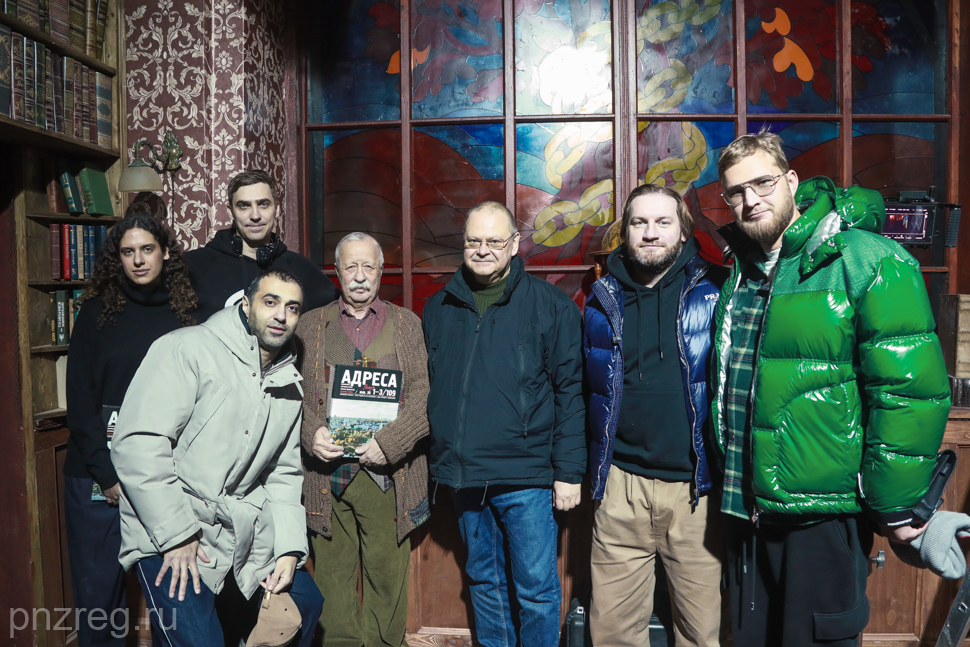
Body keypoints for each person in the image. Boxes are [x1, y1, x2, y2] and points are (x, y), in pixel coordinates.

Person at [710, 131, 950, 646]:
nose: (751, 200)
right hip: (746, 511)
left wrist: (896, 505)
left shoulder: (867, 259)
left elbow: (906, 391)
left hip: (822, 517)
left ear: (791, 181)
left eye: (763, 183)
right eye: (736, 191)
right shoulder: (741, 272)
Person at [110, 270, 324, 647]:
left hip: (241, 526)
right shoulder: (186, 348)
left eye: (292, 308)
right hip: (171, 522)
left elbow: (284, 474)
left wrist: (289, 548)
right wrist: (177, 536)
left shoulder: (289, 383)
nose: (281, 315)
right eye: (270, 302)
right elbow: (138, 445)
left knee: (305, 602)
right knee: (198, 639)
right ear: (246, 304)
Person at [422, 201, 586, 647]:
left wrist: (569, 472)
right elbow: (431, 387)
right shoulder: (439, 306)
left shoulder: (551, 306)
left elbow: (571, 392)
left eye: (494, 241)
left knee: (536, 590)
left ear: (514, 244)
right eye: (473, 241)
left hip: (526, 476)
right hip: (464, 476)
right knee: (484, 582)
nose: (483, 249)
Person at [584, 184, 726, 647]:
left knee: (700, 633)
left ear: (683, 232)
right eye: (639, 223)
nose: (650, 233)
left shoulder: (717, 291)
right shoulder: (601, 299)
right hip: (620, 487)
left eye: (663, 222)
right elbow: (585, 389)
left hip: (696, 491)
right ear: (624, 232)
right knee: (612, 635)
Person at [64, 213, 196, 646]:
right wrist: (107, 476)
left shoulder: (187, 313)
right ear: (117, 258)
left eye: (147, 249)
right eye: (128, 252)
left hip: (164, 478)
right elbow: (80, 399)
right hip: (97, 477)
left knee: (173, 600)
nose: (138, 260)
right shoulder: (95, 312)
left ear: (165, 253)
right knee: (98, 602)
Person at [298, 232, 430, 647]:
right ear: (337, 273)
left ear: (380, 271)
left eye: (368, 266)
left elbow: (423, 396)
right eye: (350, 266)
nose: (359, 276)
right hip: (327, 477)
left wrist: (391, 444)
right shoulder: (309, 326)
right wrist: (310, 432)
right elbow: (291, 393)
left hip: (389, 477)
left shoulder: (407, 324)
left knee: (388, 580)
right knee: (333, 581)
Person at [184, 169, 338, 321]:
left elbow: (341, 315)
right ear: (231, 213)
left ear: (277, 210)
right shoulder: (195, 265)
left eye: (263, 204)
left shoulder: (301, 268)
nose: (255, 215)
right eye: (244, 206)